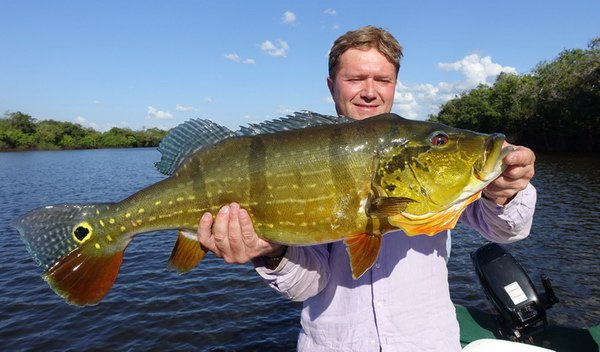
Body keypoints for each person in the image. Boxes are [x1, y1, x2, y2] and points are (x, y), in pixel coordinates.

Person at [197, 26, 536, 351]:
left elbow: (505, 229)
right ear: (332, 86)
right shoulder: (302, 156)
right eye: (355, 78)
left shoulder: (425, 159)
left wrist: (503, 190)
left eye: (383, 79)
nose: (370, 91)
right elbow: (306, 286)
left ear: (395, 85)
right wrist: (269, 251)